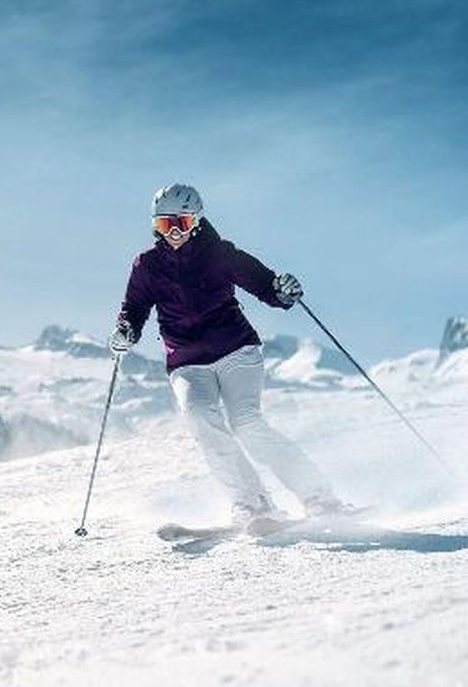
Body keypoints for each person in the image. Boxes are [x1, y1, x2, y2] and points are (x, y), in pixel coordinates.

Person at [110, 183, 349, 527]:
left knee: (247, 423)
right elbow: (133, 309)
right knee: (200, 419)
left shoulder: (219, 253)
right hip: (187, 362)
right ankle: (252, 504)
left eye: (183, 222)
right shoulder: (146, 266)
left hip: (237, 350)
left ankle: (320, 497)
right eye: (166, 225)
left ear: (197, 222)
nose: (175, 232)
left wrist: (282, 291)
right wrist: (126, 330)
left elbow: (264, 284)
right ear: (155, 226)